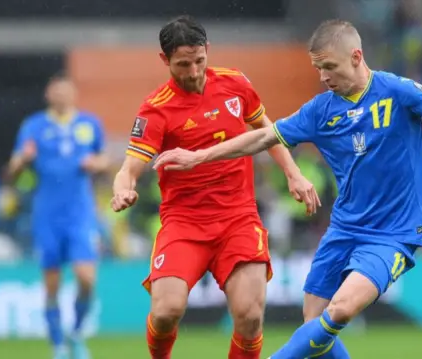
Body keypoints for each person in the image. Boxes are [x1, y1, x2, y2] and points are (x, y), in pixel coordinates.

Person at [153, 19, 422, 359]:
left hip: (392, 234)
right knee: (313, 322)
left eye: (329, 67)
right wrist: (198, 157)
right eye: (318, 68)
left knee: (340, 310)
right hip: (344, 230)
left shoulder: (396, 90)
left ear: (356, 56)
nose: (322, 76)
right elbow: (262, 137)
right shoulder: (320, 110)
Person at [109, 15, 318, 359]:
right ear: (165, 61)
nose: (193, 72)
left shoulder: (236, 84)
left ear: (208, 50)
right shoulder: (155, 109)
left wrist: (293, 173)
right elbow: (129, 167)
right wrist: (123, 189)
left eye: (199, 61)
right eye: (182, 64)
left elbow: (266, 129)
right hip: (184, 223)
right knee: (165, 312)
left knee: (250, 316)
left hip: (238, 217)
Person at [7, 73, 108, 359]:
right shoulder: (34, 126)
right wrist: (21, 160)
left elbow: (105, 159)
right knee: (51, 283)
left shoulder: (89, 124)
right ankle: (58, 344)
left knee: (86, 278)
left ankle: (76, 331)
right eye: (56, 92)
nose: (61, 96)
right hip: (47, 214)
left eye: (66, 91)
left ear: (74, 95)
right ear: (48, 95)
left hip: (80, 213)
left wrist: (95, 162)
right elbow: (13, 169)